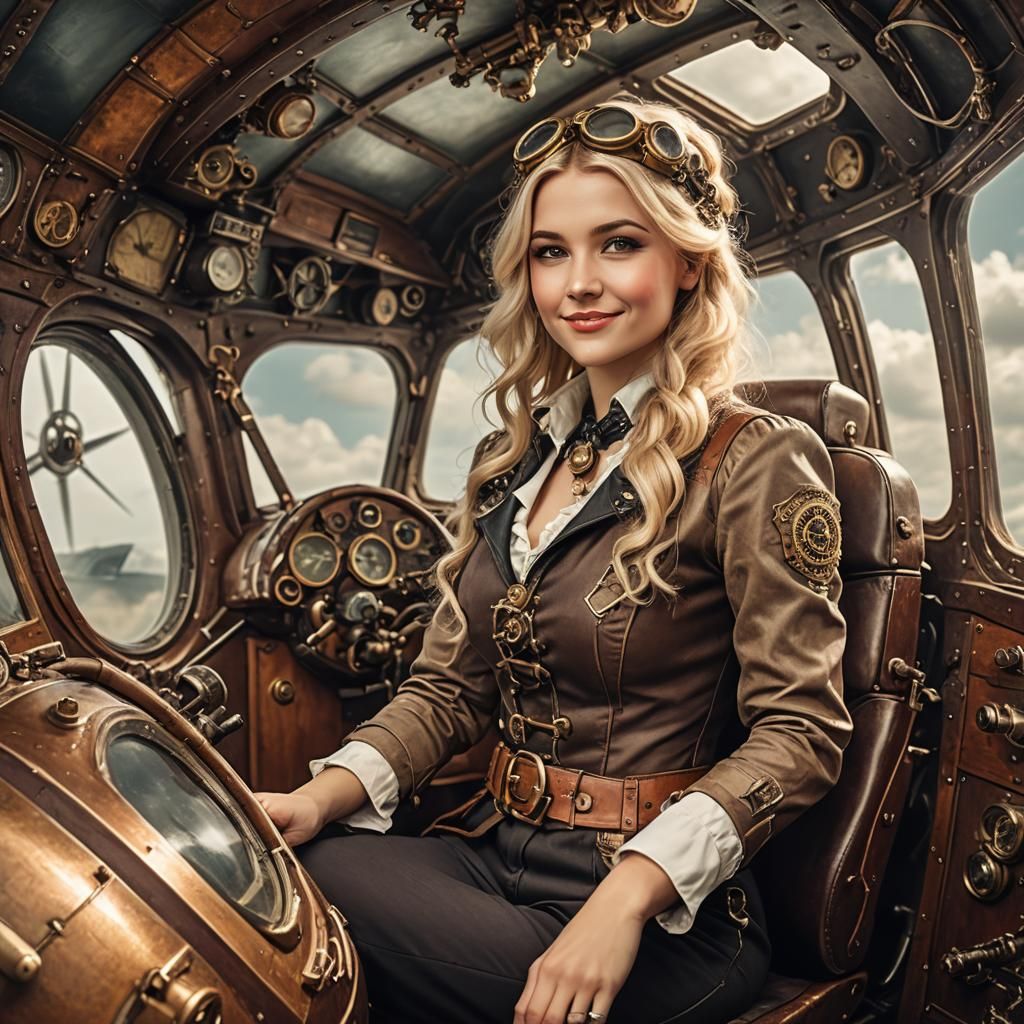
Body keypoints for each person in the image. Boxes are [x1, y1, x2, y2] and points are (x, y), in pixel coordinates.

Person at [256, 96, 852, 1024]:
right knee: (276, 866)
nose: (579, 282)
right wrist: (319, 795)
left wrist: (625, 897)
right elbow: (449, 691)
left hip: (668, 916)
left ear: (689, 262)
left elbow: (802, 731)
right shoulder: (519, 464)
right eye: (550, 251)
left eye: (619, 244)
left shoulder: (757, 457)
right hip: (499, 854)